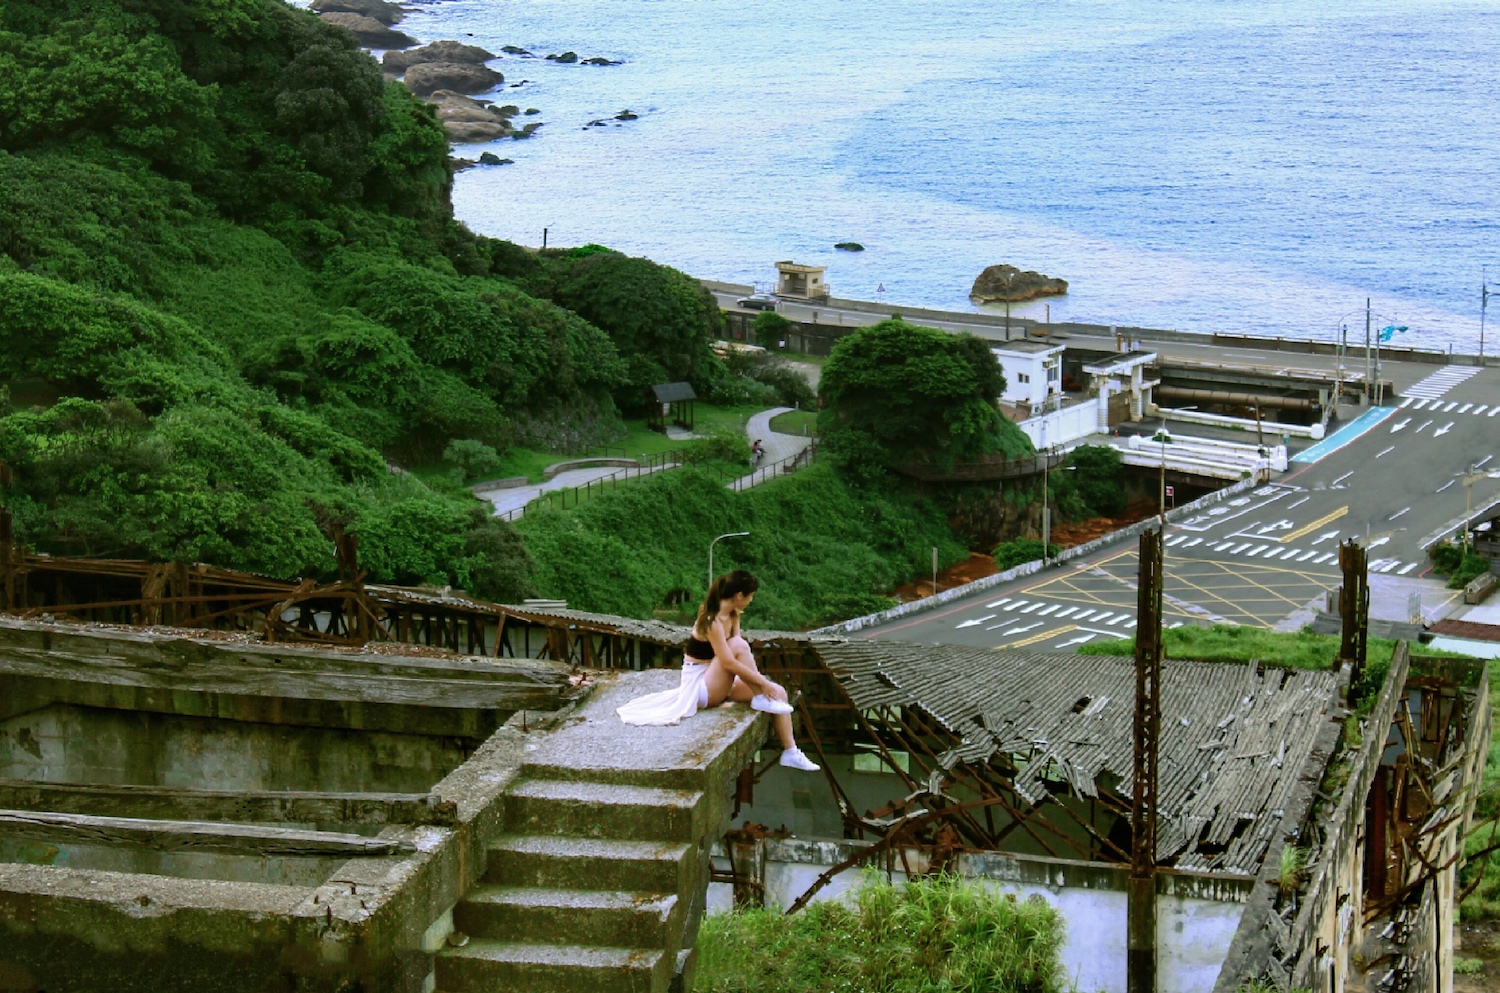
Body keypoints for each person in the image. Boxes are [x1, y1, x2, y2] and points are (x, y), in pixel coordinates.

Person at [616, 570, 820, 771]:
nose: (751, 601)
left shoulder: (733, 615)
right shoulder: (712, 621)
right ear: (739, 595)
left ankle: (791, 751)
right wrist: (761, 682)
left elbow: (736, 659)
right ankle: (759, 695)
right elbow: (730, 662)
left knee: (779, 693)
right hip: (700, 685)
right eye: (750, 596)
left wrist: (763, 684)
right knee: (741, 649)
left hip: (717, 678)